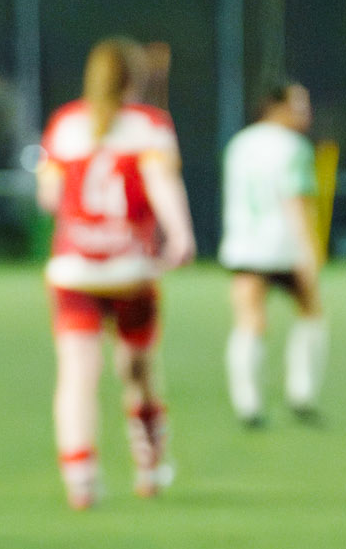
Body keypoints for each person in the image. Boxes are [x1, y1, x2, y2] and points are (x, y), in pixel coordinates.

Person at [36, 39, 196, 509]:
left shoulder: (66, 122)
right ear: (135, 78)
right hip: (131, 269)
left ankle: (81, 479)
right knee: (138, 372)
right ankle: (150, 466)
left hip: (74, 269)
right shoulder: (150, 125)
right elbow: (162, 184)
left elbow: (48, 198)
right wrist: (180, 235)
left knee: (77, 375)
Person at [218, 82, 327, 424]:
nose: (306, 113)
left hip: (245, 245)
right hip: (285, 246)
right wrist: (311, 250)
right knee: (311, 311)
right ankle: (302, 393)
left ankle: (247, 404)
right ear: (275, 107)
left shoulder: (240, 144)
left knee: (249, 321)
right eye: (299, 106)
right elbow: (296, 201)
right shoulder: (293, 146)